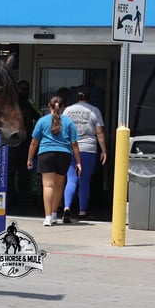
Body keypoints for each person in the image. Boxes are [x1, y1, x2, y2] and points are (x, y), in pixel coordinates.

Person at [27, 94, 81, 226]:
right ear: (63, 107)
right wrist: (79, 162)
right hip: (64, 155)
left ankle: (47, 217)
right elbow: (74, 144)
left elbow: (34, 142)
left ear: (48, 106)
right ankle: (54, 213)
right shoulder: (68, 122)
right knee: (58, 185)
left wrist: (29, 159)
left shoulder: (42, 121)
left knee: (48, 185)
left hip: (46, 154)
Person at [62, 85, 107, 222]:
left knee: (71, 179)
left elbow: (62, 130)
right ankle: (82, 211)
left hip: (70, 149)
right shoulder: (94, 110)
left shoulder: (68, 110)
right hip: (88, 149)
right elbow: (99, 132)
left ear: (76, 96)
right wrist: (104, 150)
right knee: (84, 180)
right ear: (89, 97)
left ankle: (66, 208)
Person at [7, 80, 41, 207]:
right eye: (22, 89)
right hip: (11, 141)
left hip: (25, 142)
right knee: (10, 171)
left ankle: (23, 197)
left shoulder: (29, 103)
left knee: (24, 172)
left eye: (26, 89)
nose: (24, 92)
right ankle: (10, 196)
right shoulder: (10, 103)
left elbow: (39, 116)